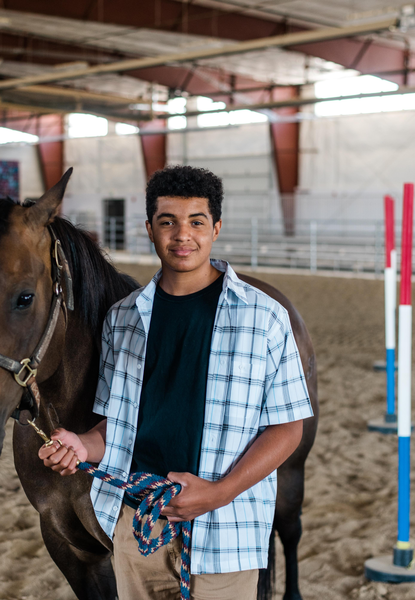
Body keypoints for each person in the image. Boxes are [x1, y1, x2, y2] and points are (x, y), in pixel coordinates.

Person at [39, 165, 313, 600]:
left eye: (196, 222)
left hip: (225, 534)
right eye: (168, 221)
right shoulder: (123, 319)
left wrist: (217, 493)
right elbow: (117, 427)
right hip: (138, 530)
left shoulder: (265, 318)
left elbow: (287, 428)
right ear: (150, 228)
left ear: (216, 228)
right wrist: (81, 445)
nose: (182, 235)